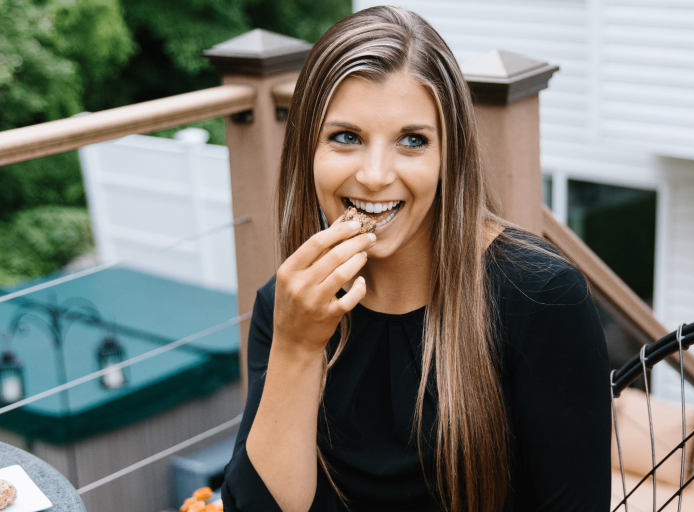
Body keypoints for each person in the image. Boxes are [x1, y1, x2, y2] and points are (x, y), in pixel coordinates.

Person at [221, 6, 610, 512]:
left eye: (412, 141)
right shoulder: (289, 304)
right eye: (346, 137)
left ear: (450, 156)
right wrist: (296, 347)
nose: (375, 175)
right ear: (306, 151)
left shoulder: (539, 297)